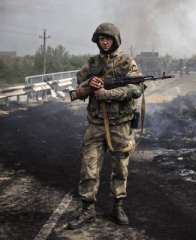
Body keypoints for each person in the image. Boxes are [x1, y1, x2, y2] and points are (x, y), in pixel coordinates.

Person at [68, 22, 144, 229]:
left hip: (120, 125)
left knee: (120, 168)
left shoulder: (127, 62)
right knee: (88, 168)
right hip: (96, 124)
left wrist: (107, 94)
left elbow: (136, 89)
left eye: (108, 38)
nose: (105, 41)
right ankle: (87, 209)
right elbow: (78, 86)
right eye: (101, 38)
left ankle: (118, 206)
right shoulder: (92, 63)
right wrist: (90, 85)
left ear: (115, 40)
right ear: (97, 41)